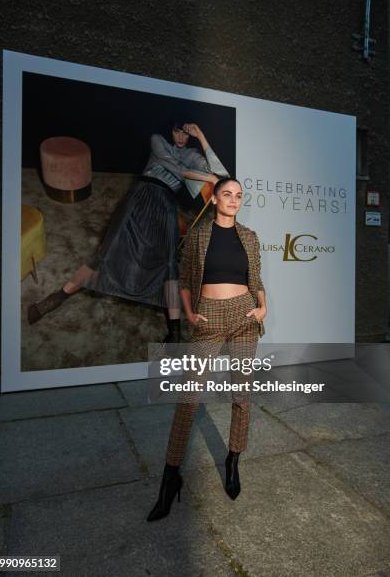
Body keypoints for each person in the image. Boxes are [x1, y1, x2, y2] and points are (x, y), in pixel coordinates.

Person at [27, 120, 230, 343]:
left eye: (186, 133)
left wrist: (201, 136)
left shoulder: (193, 155)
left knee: (169, 265)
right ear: (170, 130)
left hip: (166, 204)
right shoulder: (157, 140)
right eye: (177, 131)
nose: (181, 137)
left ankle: (175, 334)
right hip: (142, 195)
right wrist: (208, 178)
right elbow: (176, 168)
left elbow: (222, 175)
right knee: (107, 251)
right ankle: (55, 298)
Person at [146, 177, 267, 522]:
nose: (233, 199)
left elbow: (255, 280)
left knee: (241, 396)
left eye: (238, 196)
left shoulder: (249, 237)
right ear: (214, 199)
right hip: (209, 317)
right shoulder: (198, 235)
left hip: (244, 316)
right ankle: (171, 476)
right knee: (189, 398)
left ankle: (233, 459)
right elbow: (184, 280)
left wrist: (263, 307)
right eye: (227, 194)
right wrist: (189, 313)